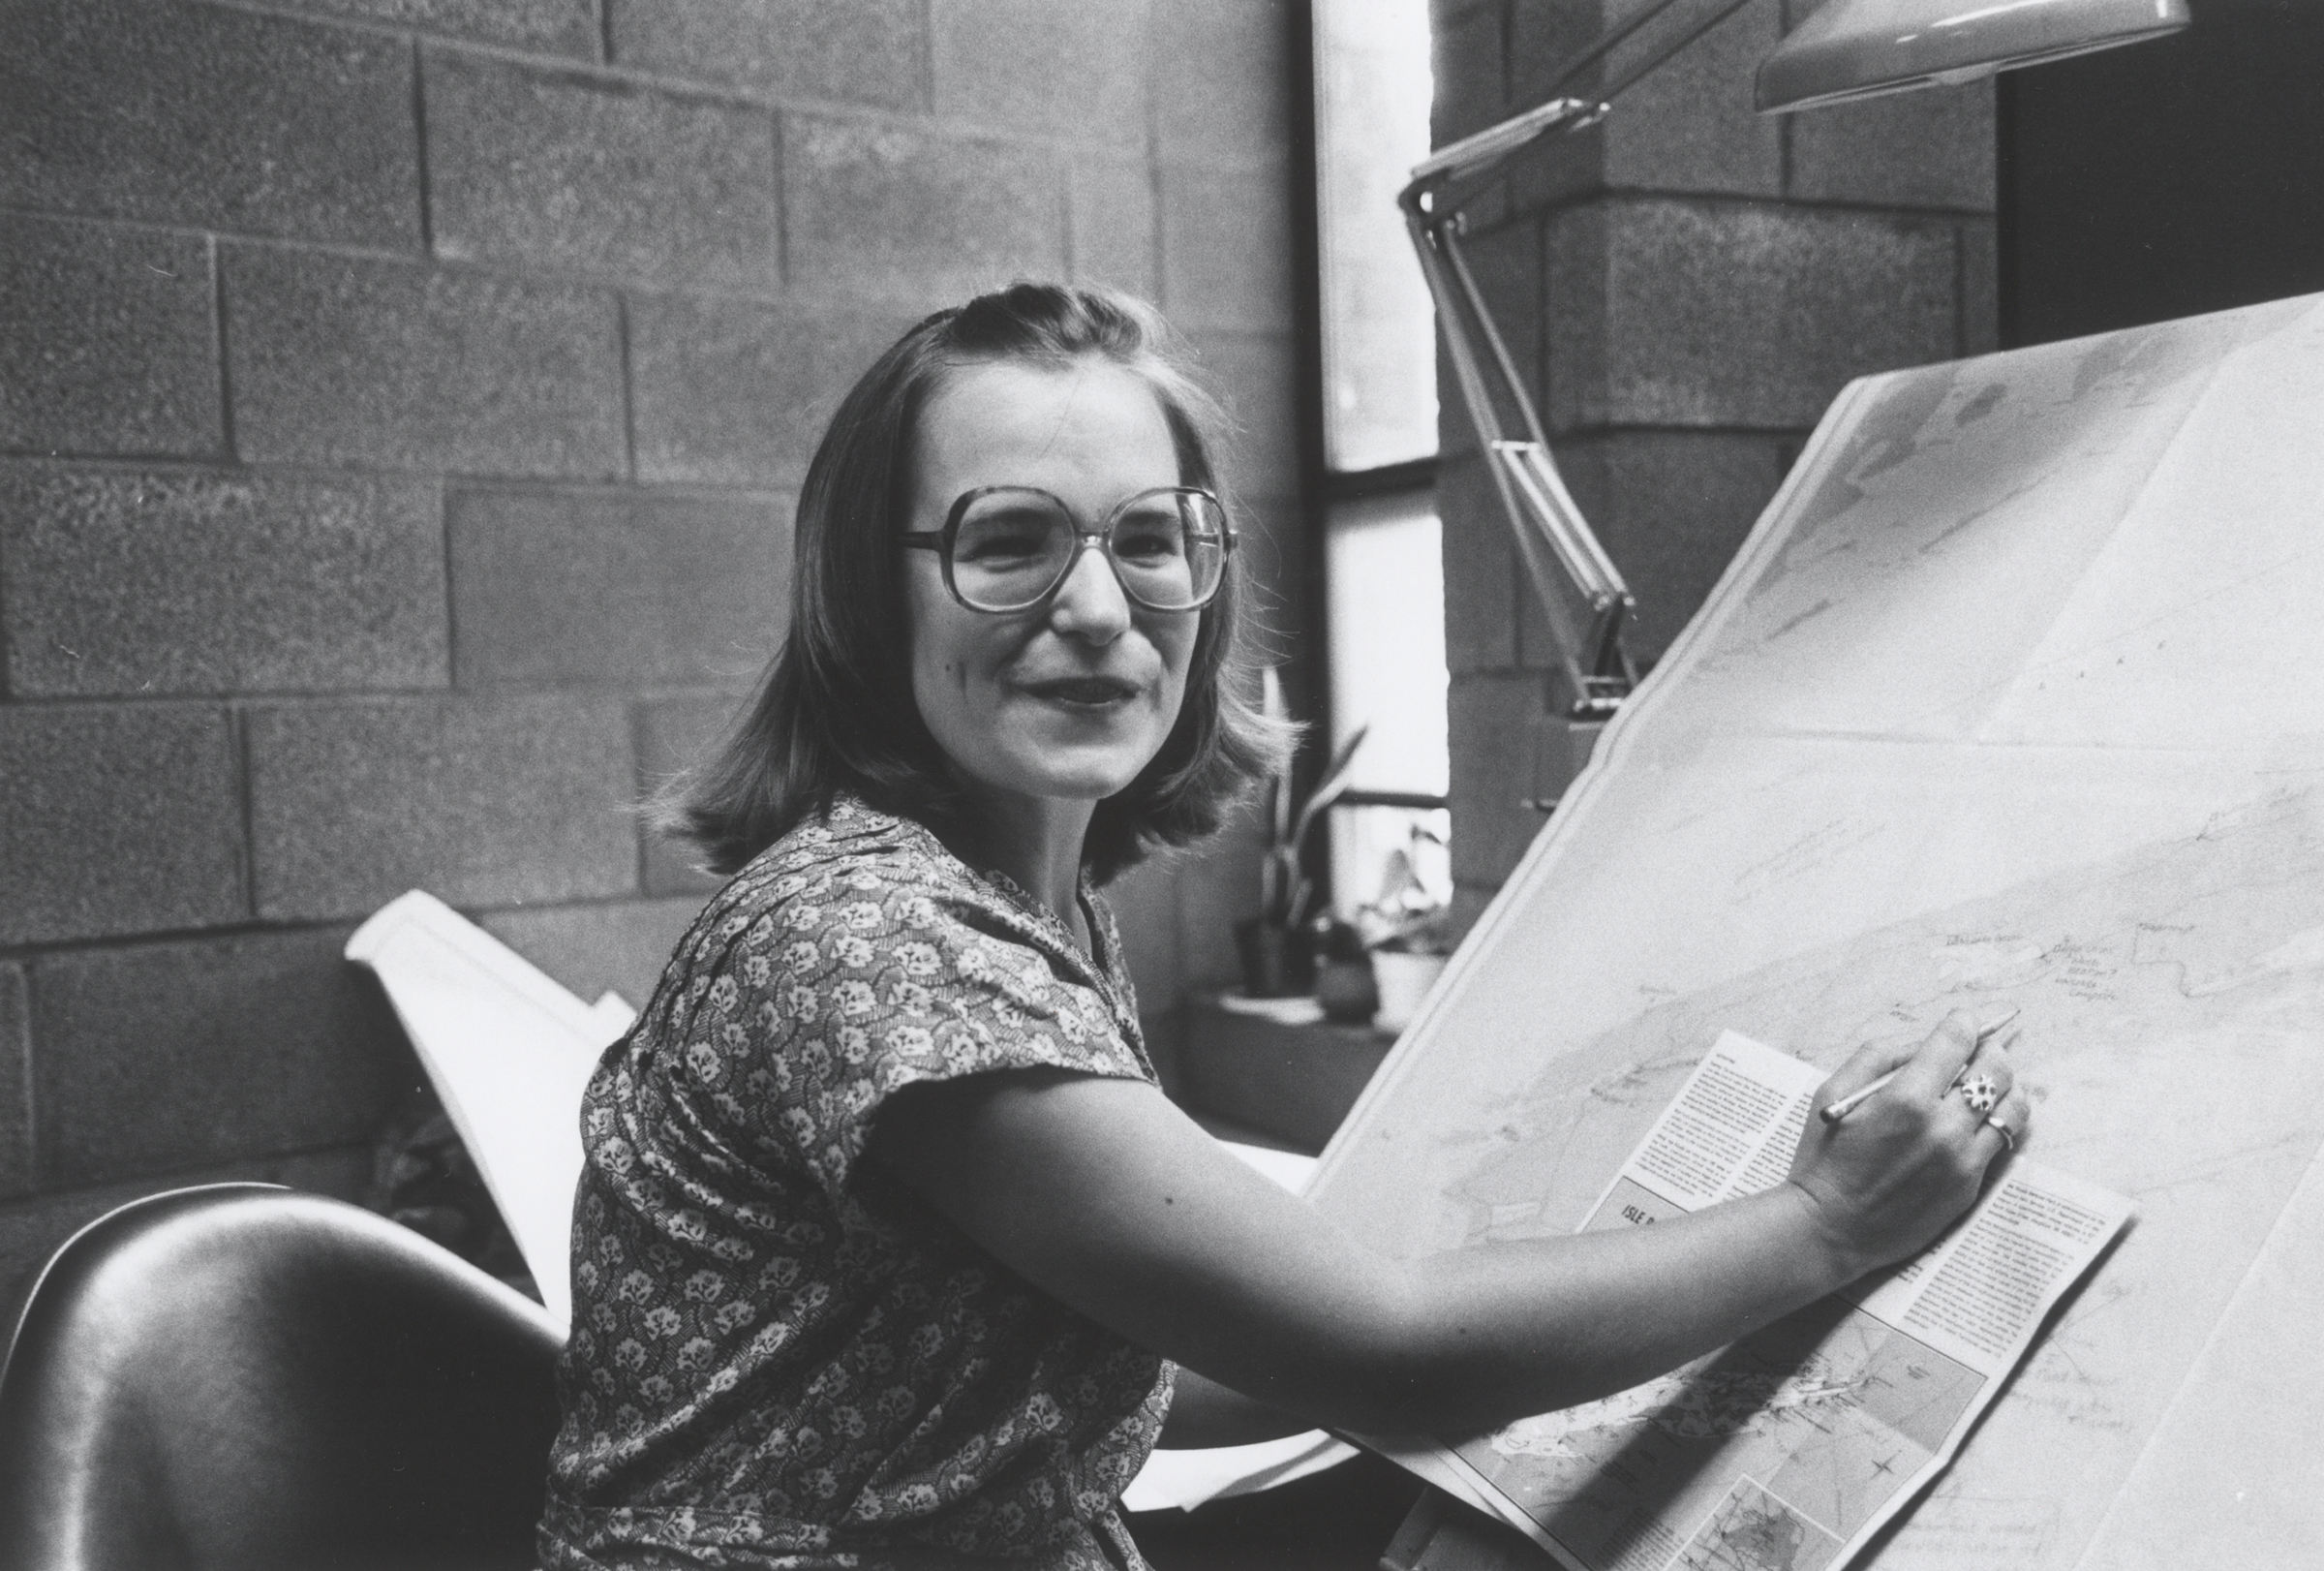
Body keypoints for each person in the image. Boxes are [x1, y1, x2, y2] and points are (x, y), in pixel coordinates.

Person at [536, 282, 2030, 1571]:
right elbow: (1375, 1339)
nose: (1102, 609)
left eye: (1150, 538)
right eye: (1010, 543)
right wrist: (1829, 1221)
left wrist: (1555, 1326)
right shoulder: (869, 940)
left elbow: (1107, 1360)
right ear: (875, 595)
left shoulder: (1026, 903)